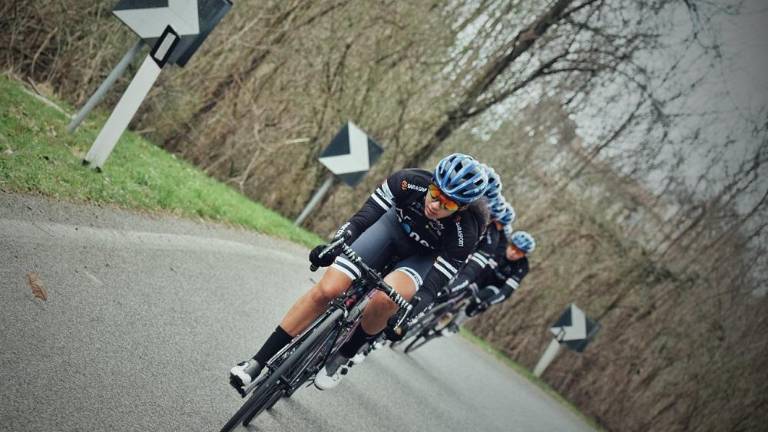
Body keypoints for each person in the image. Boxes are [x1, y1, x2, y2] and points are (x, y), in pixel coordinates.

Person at [229, 153, 490, 393]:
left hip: (420, 258)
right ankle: (256, 362)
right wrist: (336, 245)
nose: (435, 204)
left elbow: (434, 284)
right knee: (327, 290)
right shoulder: (408, 182)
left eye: (448, 203)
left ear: (463, 208)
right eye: (435, 193)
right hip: (391, 231)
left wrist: (410, 314)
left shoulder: (465, 233)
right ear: (431, 182)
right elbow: (363, 219)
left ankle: (345, 354)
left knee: (387, 299)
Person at [446, 229, 535, 333]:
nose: (513, 253)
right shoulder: (499, 247)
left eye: (519, 252)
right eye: (513, 247)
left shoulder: (522, 267)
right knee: (462, 289)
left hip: (494, 287)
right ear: (509, 244)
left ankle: (457, 323)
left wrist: (489, 302)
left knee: (478, 301)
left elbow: (507, 291)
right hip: (482, 277)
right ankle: (442, 309)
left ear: (524, 255)